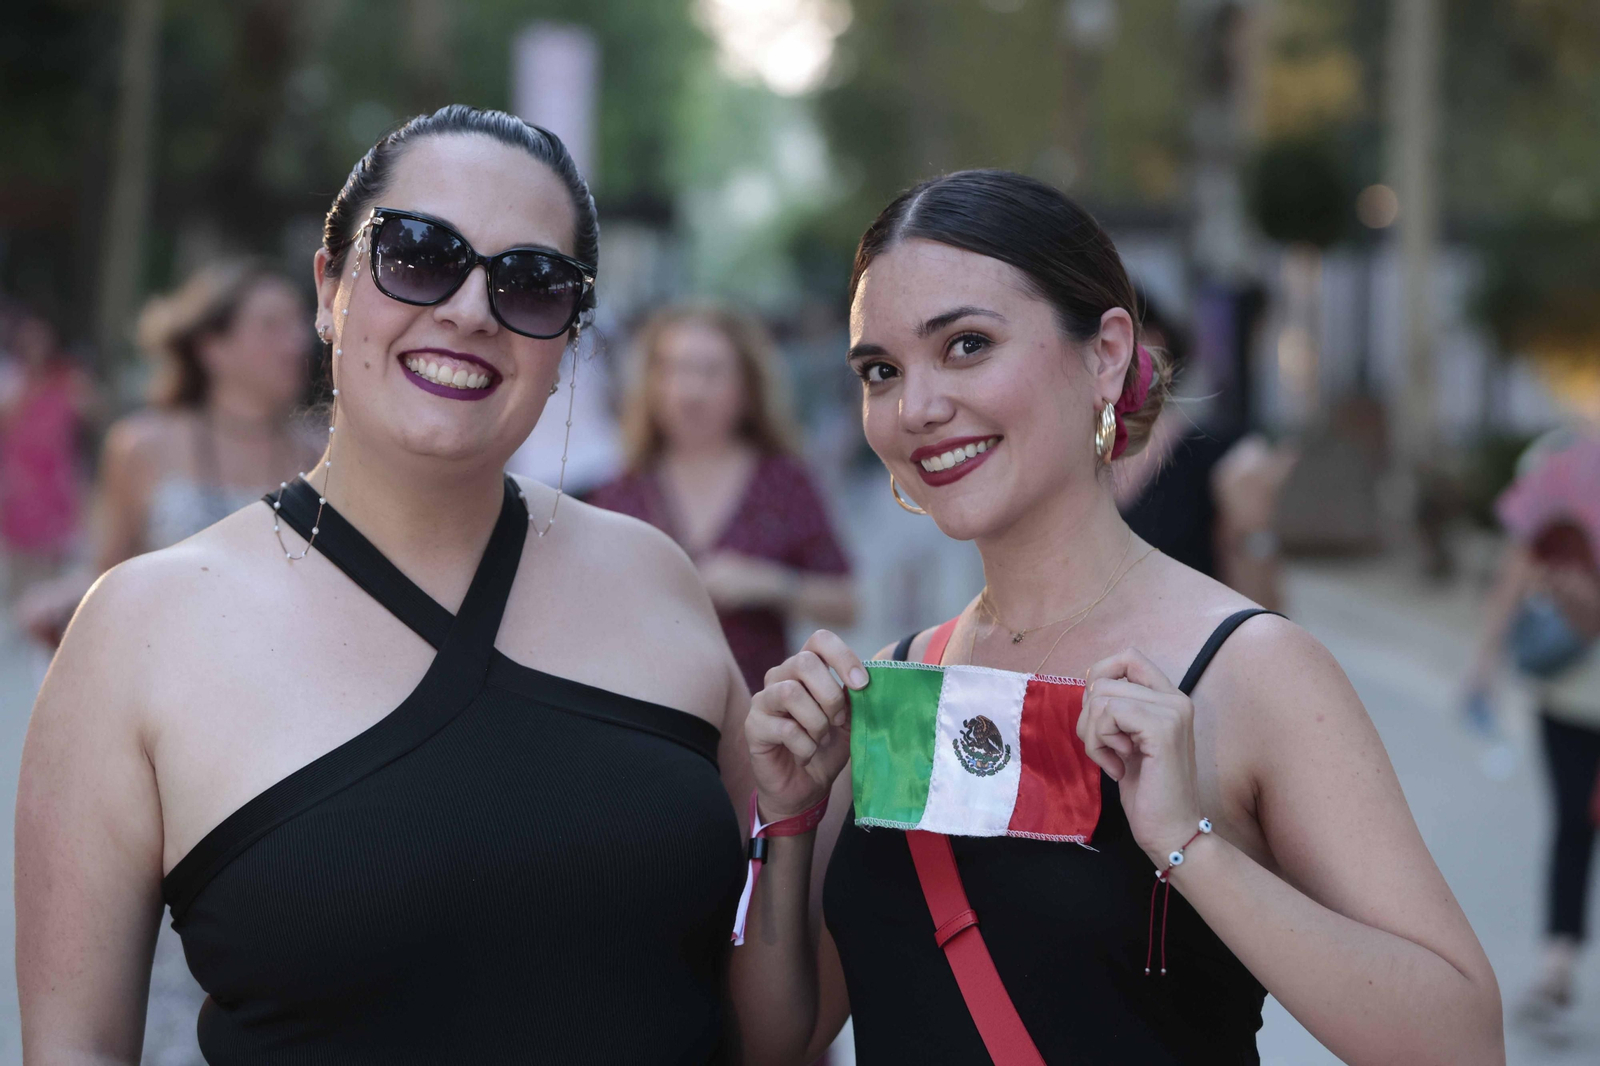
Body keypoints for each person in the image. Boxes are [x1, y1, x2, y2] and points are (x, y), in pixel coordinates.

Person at [17, 105, 752, 1062]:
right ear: (330, 286)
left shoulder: (656, 578)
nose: (469, 311)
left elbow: (776, 1014)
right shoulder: (138, 629)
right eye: (418, 253)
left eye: (532, 283)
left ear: (568, 338)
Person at [732, 170, 1503, 1064]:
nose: (917, 408)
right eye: (881, 370)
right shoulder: (896, 686)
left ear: (1105, 353)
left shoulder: (1250, 672)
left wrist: (1186, 846)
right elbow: (776, 1041)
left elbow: (1460, 1040)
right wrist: (786, 820)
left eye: (969, 344)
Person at [15, 259, 320, 651]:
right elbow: (109, 573)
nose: (296, 342)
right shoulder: (142, 445)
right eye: (271, 326)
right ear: (213, 348)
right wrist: (57, 603)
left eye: (299, 323)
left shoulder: (318, 454)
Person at [589, 305, 856, 694]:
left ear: (747, 386)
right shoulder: (621, 489)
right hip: (644, 714)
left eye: (711, 371)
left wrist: (768, 584)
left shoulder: (783, 482)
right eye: (674, 369)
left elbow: (848, 602)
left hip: (757, 721)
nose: (690, 390)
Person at [1466, 429, 1600, 1031]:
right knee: (1574, 823)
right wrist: (1485, 660)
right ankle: (1557, 965)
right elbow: (1517, 570)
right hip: (1571, 695)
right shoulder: (1558, 463)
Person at [0, 310, 94, 599]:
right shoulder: (14, 380)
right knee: (18, 561)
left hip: (55, 480)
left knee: (53, 561)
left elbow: (89, 412)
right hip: (21, 480)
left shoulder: (68, 379)